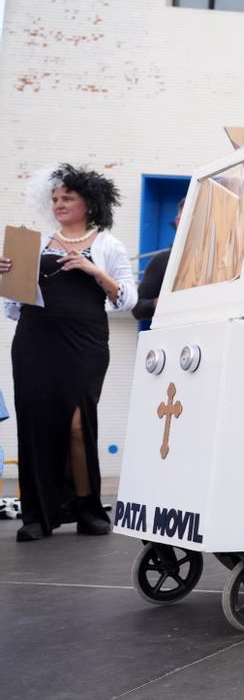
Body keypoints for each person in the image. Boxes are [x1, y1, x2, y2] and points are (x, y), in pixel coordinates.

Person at [1, 164, 136, 541]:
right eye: (56, 199)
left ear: (89, 202)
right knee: (35, 424)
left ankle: (87, 507)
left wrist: (94, 270)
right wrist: (7, 277)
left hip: (84, 343)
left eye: (68, 198)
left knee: (78, 424)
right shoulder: (37, 242)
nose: (59, 204)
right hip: (34, 340)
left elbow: (127, 299)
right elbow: (14, 308)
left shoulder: (108, 245)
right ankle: (37, 515)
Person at [131, 198, 183, 323]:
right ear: (178, 222)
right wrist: (160, 302)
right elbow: (138, 308)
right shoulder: (162, 260)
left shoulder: (222, 261)